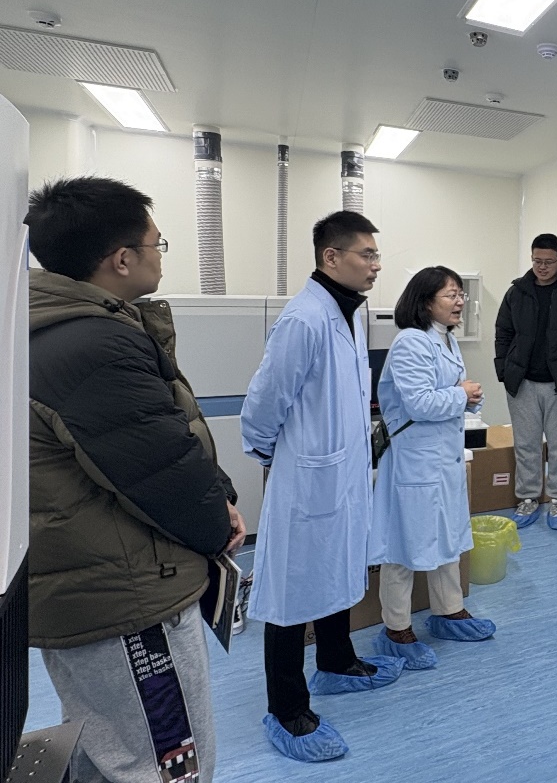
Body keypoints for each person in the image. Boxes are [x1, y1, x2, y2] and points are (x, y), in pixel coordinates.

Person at [26, 177, 245, 783]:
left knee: (108, 750)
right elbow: (161, 472)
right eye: (157, 244)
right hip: (128, 598)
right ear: (122, 259)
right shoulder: (91, 345)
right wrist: (218, 523)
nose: (159, 255)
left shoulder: (49, 329)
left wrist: (220, 494)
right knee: (165, 765)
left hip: (84, 588)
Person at [241, 211, 405, 763]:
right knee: (291, 589)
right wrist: (274, 455)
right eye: (367, 254)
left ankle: (336, 661)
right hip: (307, 479)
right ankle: (286, 707)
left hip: (342, 475)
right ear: (331, 257)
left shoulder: (350, 313)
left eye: (377, 255)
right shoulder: (303, 319)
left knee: (335, 568)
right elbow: (264, 404)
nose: (376, 265)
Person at [369, 266, 496, 668]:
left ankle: (448, 611)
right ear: (425, 302)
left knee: (447, 537)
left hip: (442, 458)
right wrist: (460, 394)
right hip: (415, 462)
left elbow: (448, 393)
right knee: (404, 544)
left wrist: (470, 397)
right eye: (451, 295)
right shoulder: (410, 342)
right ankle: (396, 628)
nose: (460, 302)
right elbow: (420, 403)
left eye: (461, 294)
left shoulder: (446, 339)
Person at [495, 234, 557, 530]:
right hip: (522, 383)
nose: (542, 267)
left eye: (548, 262)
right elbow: (503, 332)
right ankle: (528, 498)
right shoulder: (517, 292)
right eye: (537, 261)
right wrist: (504, 370)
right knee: (526, 446)